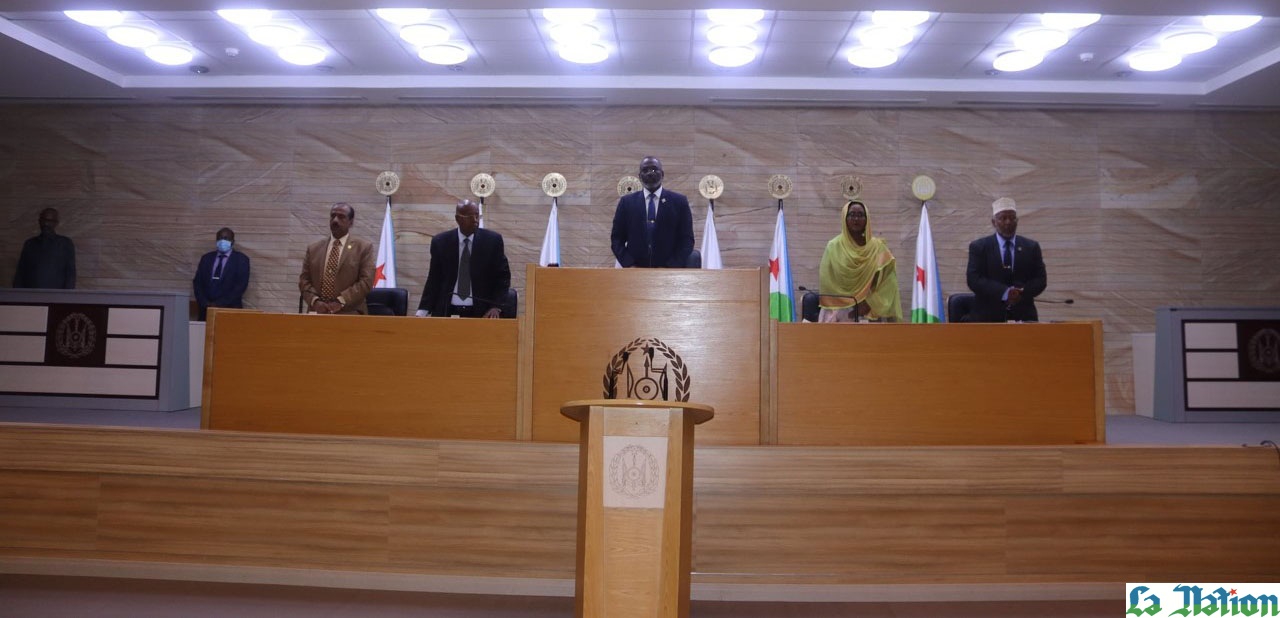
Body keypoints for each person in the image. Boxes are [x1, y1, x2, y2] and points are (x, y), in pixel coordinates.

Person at [417, 199, 511, 318]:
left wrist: (496, 307)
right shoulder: (441, 242)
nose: (475, 221)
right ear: (458, 219)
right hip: (447, 310)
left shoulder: (492, 241)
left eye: (477, 216)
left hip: (481, 311)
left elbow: (503, 278)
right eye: (470, 217)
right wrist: (423, 310)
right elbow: (434, 279)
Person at [817, 200, 903, 322]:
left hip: (869, 309)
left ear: (867, 219)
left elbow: (889, 280)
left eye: (860, 215)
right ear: (844, 218)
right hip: (839, 309)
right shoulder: (833, 246)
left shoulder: (877, 247)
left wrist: (870, 302)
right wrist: (847, 302)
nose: (856, 219)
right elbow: (827, 281)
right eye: (851, 215)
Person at [965, 197, 1047, 322]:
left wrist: (1022, 292)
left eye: (1012, 218)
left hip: (1024, 316)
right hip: (987, 318)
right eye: (1003, 218)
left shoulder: (1031, 247)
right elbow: (974, 279)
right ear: (994, 222)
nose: (1008, 222)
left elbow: (1040, 280)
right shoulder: (979, 247)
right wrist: (1004, 292)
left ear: (1017, 221)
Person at [610, 156, 694, 268]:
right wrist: (629, 265)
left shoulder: (679, 202)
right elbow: (617, 239)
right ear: (639, 176)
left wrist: (671, 267)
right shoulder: (627, 202)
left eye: (654, 169)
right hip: (634, 273)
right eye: (645, 170)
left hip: (669, 273)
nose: (650, 173)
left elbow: (687, 240)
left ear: (662, 174)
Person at [299, 202, 375, 315]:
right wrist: (315, 301)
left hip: (350, 313)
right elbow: (304, 280)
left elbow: (366, 282)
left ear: (351, 222)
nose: (335, 220)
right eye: (333, 216)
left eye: (341, 217)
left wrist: (341, 301)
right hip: (317, 312)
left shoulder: (363, 248)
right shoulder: (313, 249)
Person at [192, 227, 250, 321]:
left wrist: (219, 304)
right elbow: (197, 282)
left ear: (232, 241)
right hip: (205, 311)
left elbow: (240, 286)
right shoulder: (206, 258)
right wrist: (204, 303)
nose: (222, 241)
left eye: (226, 238)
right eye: (220, 238)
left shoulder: (241, 260)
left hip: (230, 311)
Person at [13, 207, 75, 289]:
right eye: (44, 220)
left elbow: (70, 273)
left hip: (56, 296)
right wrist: (18, 296)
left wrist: (66, 298)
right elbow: (20, 272)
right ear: (39, 221)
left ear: (56, 223)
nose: (46, 224)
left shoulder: (65, 243)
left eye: (50, 221)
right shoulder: (29, 244)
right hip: (30, 296)